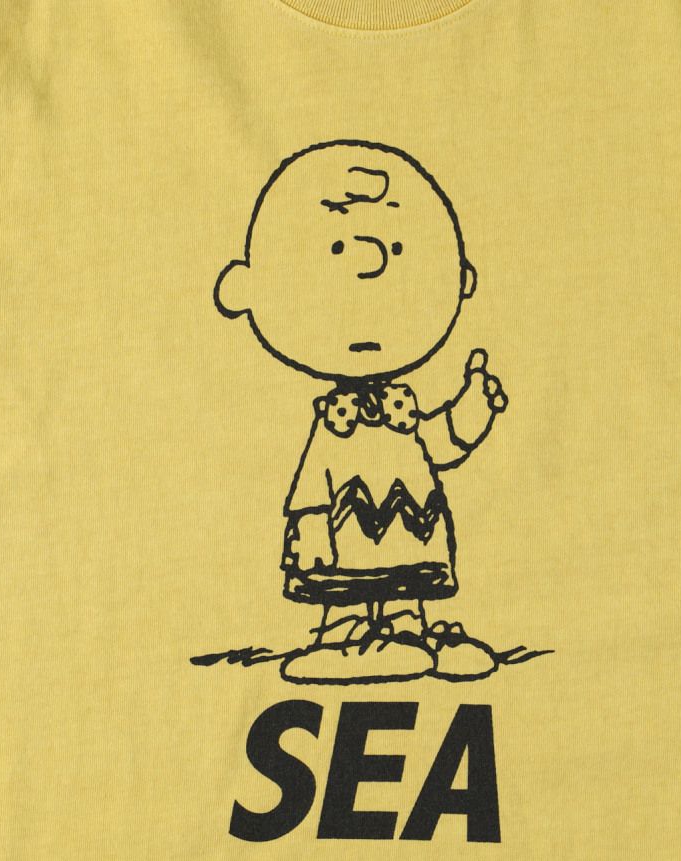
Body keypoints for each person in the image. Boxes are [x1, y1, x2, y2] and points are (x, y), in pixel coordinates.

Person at [215, 139, 510, 683]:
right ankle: (344, 638)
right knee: (347, 596)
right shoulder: (335, 421)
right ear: (247, 288)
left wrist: (473, 407)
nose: (370, 263)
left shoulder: (403, 411)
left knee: (405, 595)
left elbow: (440, 444)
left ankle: (407, 632)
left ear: (459, 279)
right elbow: (311, 486)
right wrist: (310, 531)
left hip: (412, 530)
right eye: (336, 250)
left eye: (397, 250)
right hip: (347, 537)